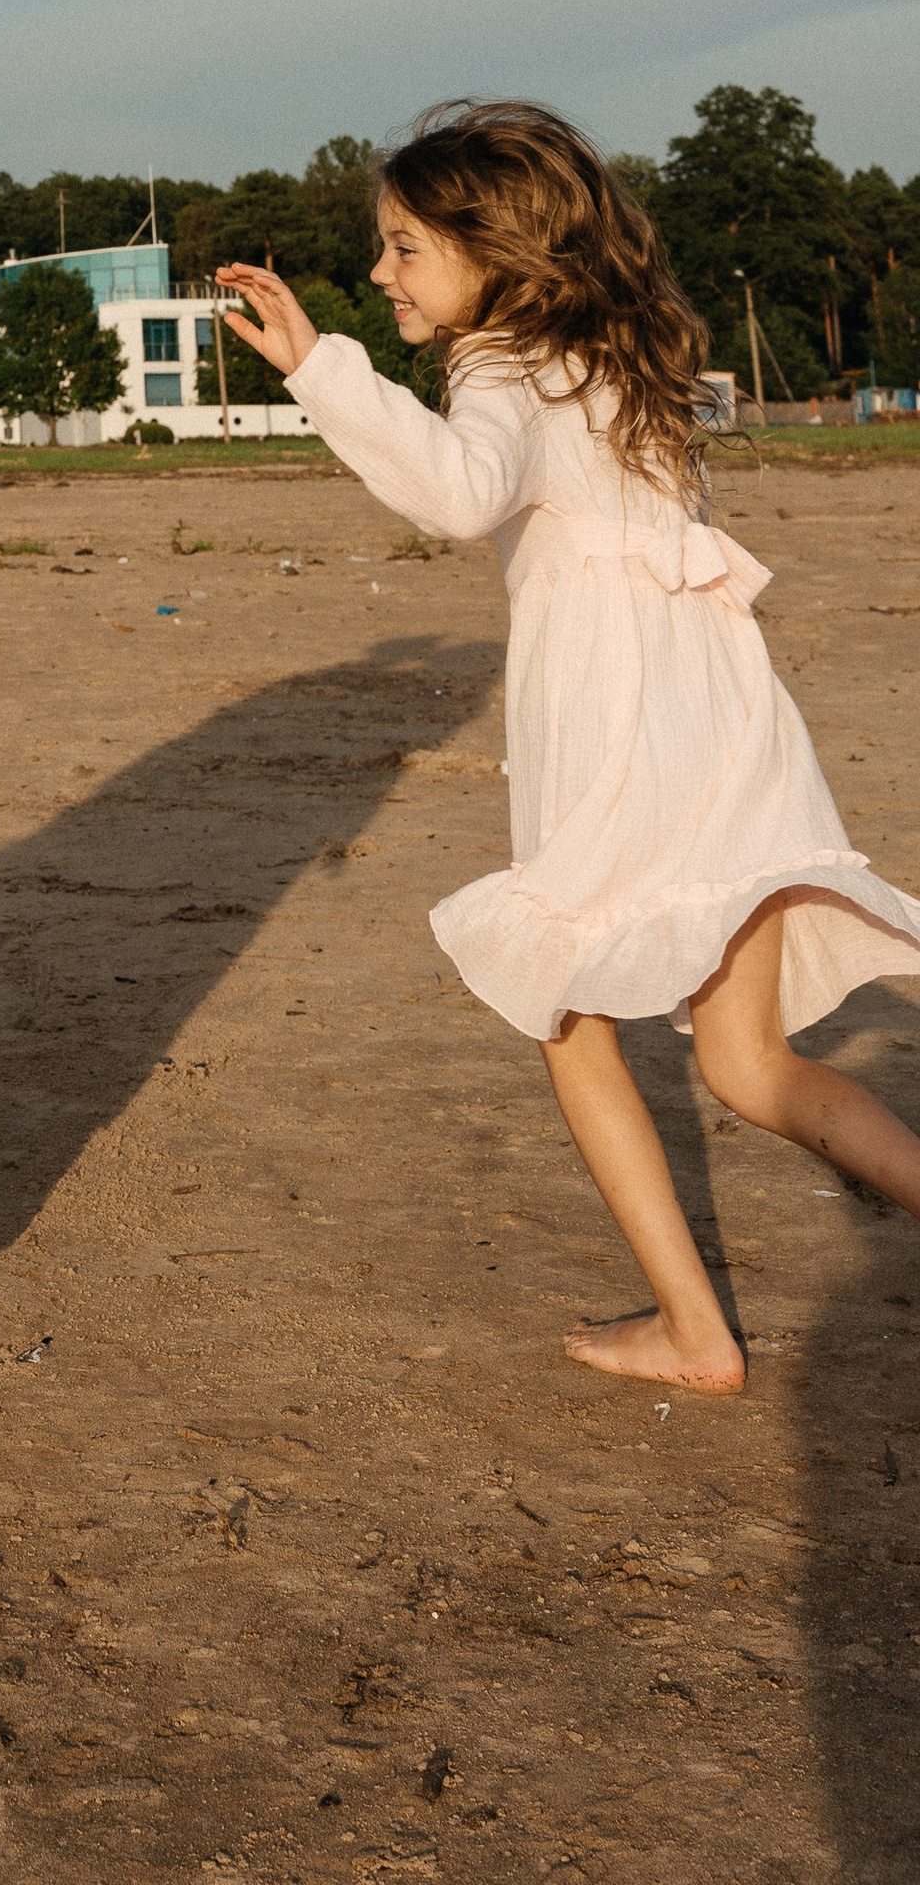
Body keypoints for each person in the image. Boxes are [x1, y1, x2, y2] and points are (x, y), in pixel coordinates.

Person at [217, 100, 920, 1394]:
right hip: (729, 718)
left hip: (613, 728)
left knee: (564, 1006)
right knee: (752, 1067)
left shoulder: (500, 370)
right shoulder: (618, 357)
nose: (381, 274)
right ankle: (699, 1325)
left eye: (404, 248)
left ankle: (698, 1331)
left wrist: (319, 367)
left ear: (497, 251)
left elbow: (460, 492)